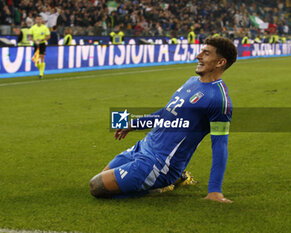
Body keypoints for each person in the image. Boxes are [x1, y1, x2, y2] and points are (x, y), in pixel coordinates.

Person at [89, 37, 238, 203]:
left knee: (96, 187)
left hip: (159, 164)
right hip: (142, 148)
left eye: (206, 53)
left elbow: (220, 145)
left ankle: (161, 185)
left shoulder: (218, 100)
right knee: (102, 177)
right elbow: (166, 113)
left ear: (220, 62)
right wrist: (134, 125)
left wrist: (215, 191)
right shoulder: (192, 81)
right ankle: (172, 180)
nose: (198, 56)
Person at [29, 15, 50, 79]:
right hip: (35, 44)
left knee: (42, 57)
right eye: (37, 19)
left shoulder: (45, 28)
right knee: (36, 59)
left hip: (42, 43)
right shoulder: (32, 28)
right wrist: (34, 41)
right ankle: (41, 70)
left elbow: (48, 36)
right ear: (35, 20)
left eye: (40, 19)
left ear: (41, 20)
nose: (38, 20)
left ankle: (41, 74)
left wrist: (42, 40)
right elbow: (30, 37)